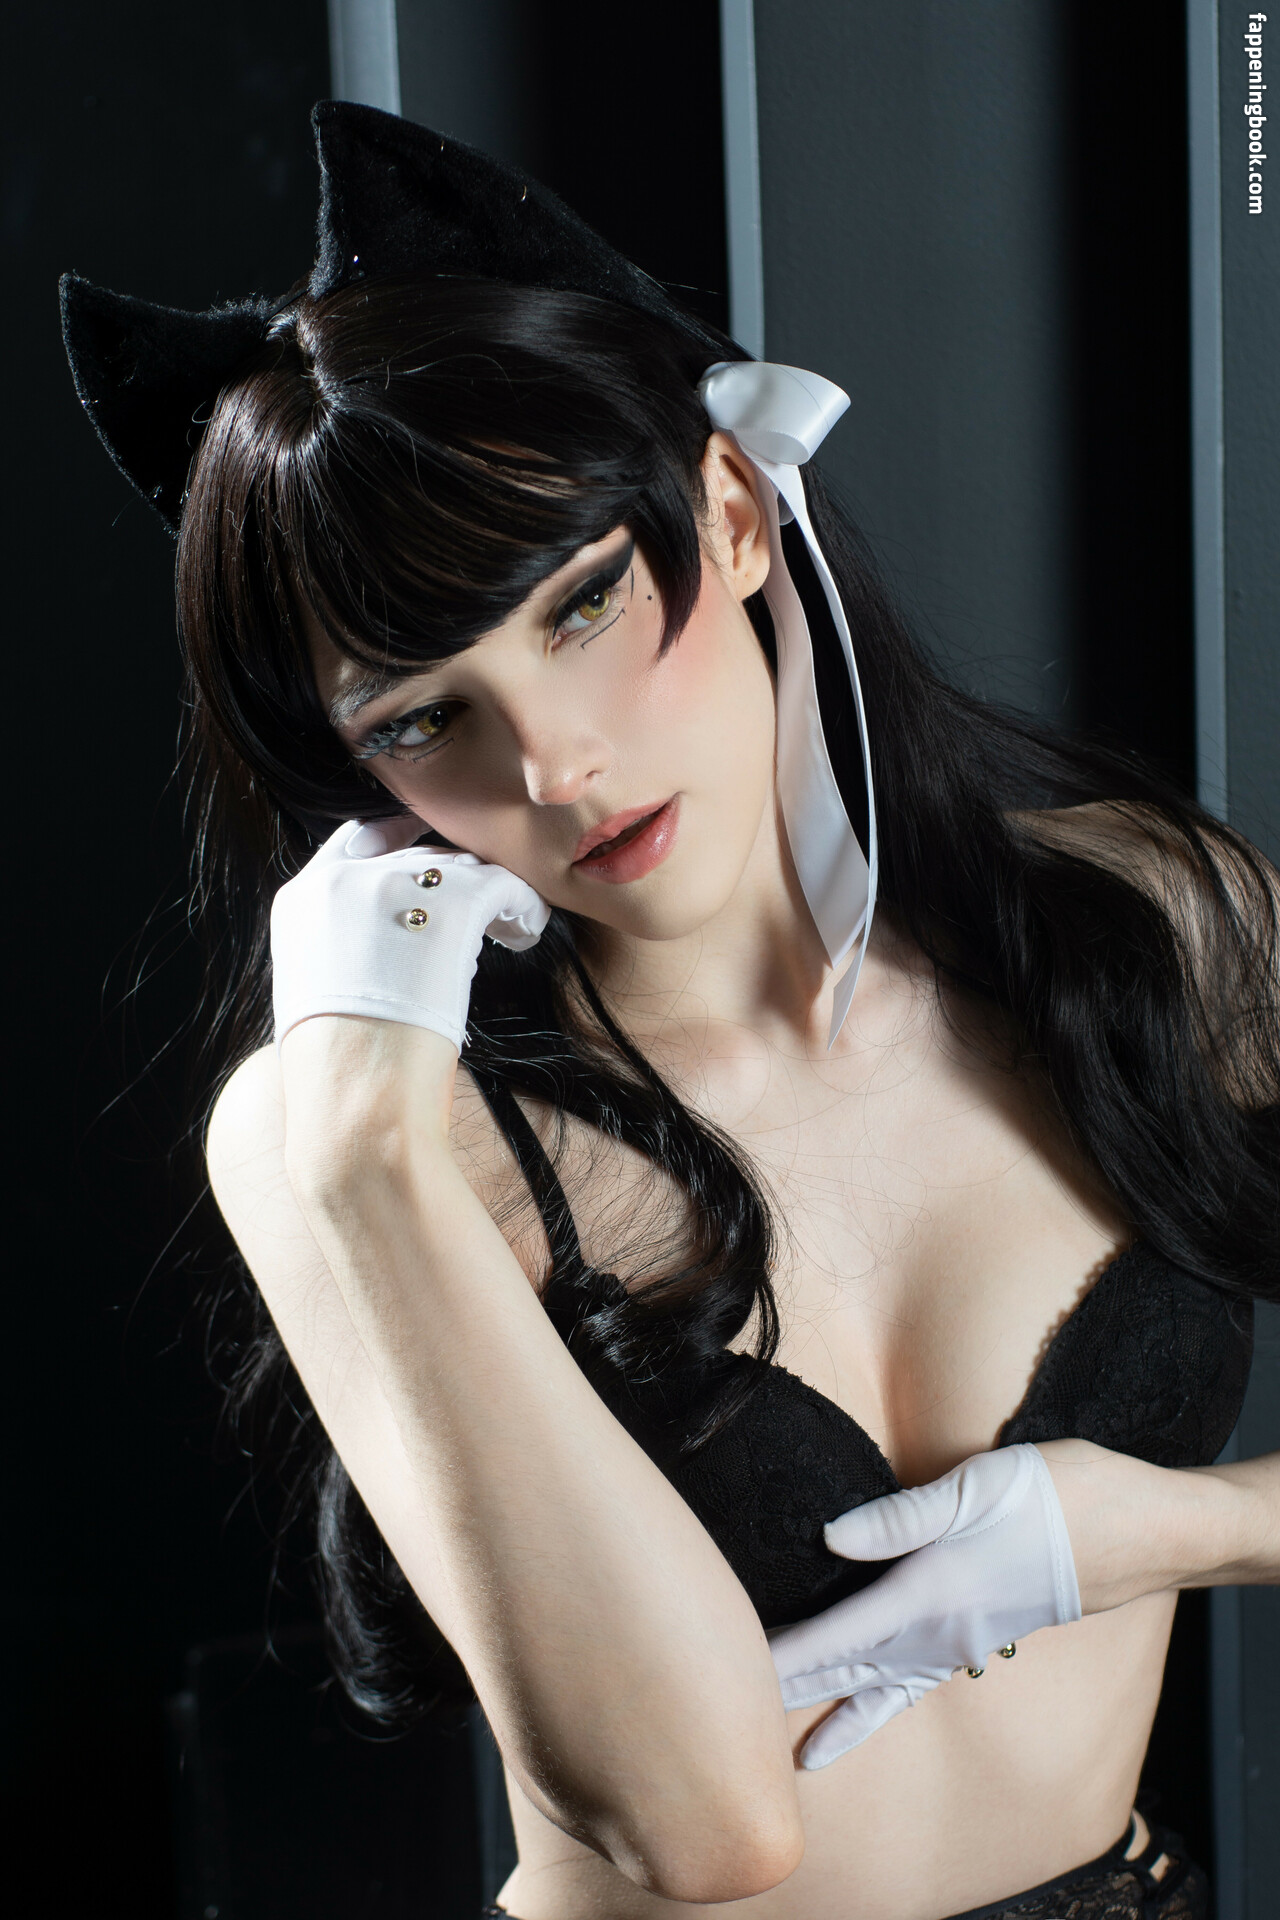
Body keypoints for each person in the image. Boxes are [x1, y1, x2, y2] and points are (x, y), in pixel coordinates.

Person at [61, 102, 1280, 1920]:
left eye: (579, 608)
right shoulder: (357, 1142)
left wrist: (1165, 1531)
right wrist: (363, 1145)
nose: (553, 766)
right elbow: (701, 1830)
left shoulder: (1149, 919)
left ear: (729, 511)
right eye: (424, 718)